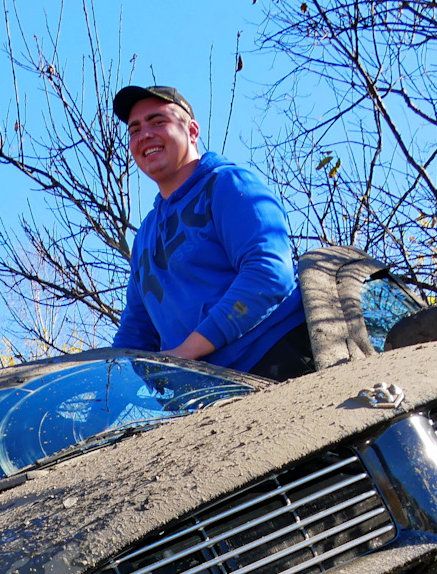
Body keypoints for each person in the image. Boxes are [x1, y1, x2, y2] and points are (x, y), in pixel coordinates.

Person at [110, 85, 314, 381]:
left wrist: (185, 353)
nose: (145, 135)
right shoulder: (145, 237)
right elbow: (136, 334)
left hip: (280, 362)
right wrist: (102, 396)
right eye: (134, 130)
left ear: (192, 131)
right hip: (209, 396)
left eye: (158, 122)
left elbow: (269, 274)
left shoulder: (229, 184)